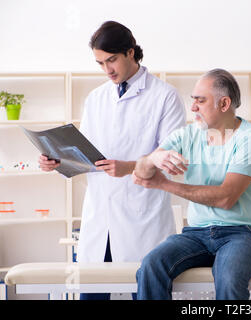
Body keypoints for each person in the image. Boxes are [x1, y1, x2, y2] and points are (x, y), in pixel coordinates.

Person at [38, 21, 186, 300]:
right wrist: (57, 161)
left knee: (146, 293)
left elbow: (173, 160)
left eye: (112, 60)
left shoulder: (165, 96)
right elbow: (85, 154)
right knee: (92, 294)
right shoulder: (96, 98)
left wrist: (130, 167)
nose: (107, 70)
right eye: (100, 63)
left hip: (142, 218)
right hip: (100, 218)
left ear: (131, 52)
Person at [132, 68, 251, 300]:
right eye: (193, 100)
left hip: (243, 234)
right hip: (196, 234)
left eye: (200, 100)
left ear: (224, 104)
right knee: (151, 265)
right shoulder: (187, 135)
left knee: (228, 276)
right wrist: (153, 159)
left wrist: (165, 184)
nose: (193, 107)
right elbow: (141, 173)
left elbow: (226, 198)